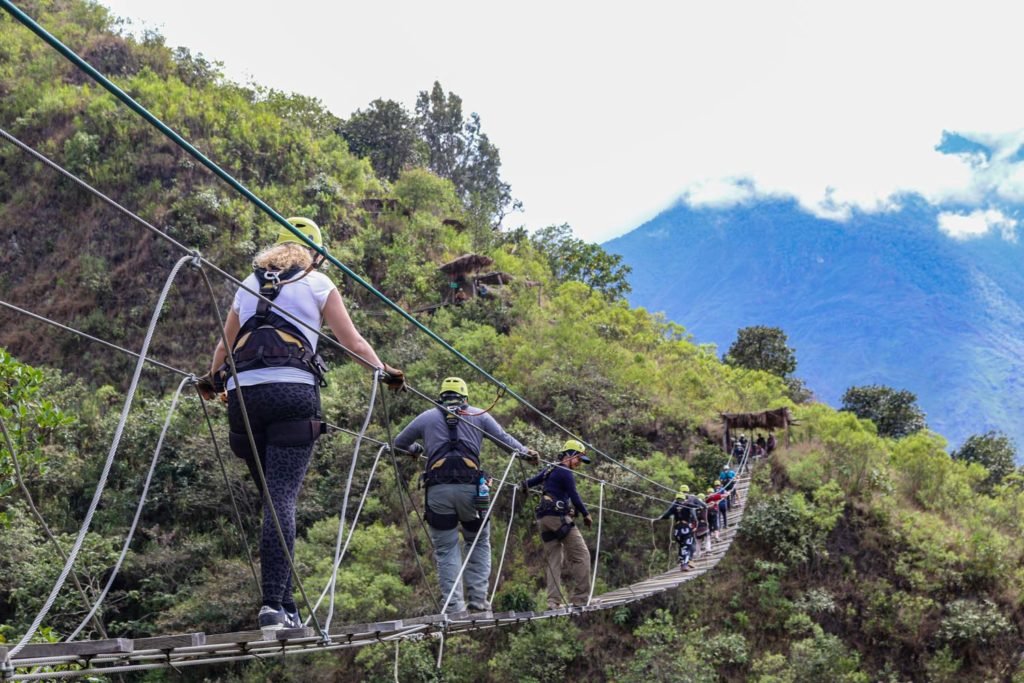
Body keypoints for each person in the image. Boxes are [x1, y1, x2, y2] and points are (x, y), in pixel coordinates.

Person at [197, 217, 405, 630]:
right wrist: (383, 371)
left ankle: (285, 604)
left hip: (244, 399)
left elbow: (225, 345)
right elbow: (353, 342)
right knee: (281, 502)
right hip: (292, 395)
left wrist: (210, 379)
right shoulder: (318, 282)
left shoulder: (247, 283)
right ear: (316, 252)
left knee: (274, 503)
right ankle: (274, 605)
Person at [395, 377, 537, 614]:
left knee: (446, 549)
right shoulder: (479, 415)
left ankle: (454, 607)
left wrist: (415, 450)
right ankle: (478, 602)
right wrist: (525, 453)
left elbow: (398, 443)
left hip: (437, 491)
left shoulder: (426, 417)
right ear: (465, 397)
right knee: (478, 541)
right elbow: (505, 440)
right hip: (472, 491)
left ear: (441, 396)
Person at [522, 440, 594, 609]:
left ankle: (552, 601)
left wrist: (523, 486)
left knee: (554, 560)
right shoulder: (565, 471)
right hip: (557, 518)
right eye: (578, 459)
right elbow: (574, 495)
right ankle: (581, 599)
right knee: (581, 555)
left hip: (543, 520)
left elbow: (532, 481)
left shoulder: (551, 468)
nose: (579, 464)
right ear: (569, 455)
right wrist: (585, 514)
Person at [658, 485, 708, 569]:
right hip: (687, 529)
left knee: (681, 546)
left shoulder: (674, 506)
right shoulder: (688, 504)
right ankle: (685, 564)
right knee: (687, 546)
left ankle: (682, 562)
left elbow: (666, 515)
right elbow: (701, 506)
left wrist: (659, 517)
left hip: (677, 530)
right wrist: (699, 508)